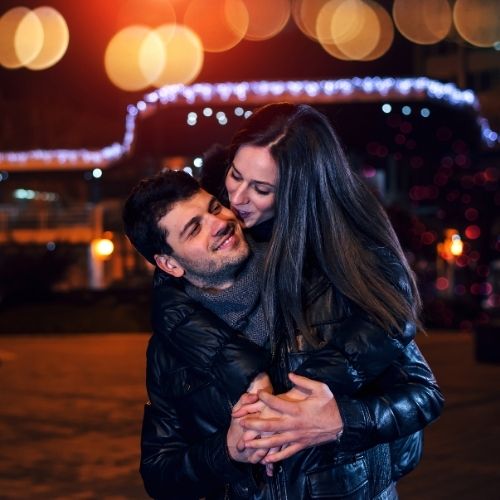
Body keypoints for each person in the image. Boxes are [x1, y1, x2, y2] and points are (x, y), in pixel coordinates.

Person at [123, 169, 443, 499]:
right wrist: (229, 450)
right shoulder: (169, 350)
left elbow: (425, 394)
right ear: (169, 264)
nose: (219, 223)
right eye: (194, 229)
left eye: (214, 208)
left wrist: (342, 421)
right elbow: (160, 474)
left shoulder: (328, 284)